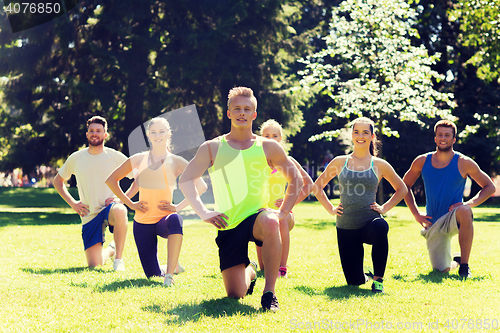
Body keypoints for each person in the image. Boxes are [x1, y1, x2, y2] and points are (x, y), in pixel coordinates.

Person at [179, 87, 303, 311]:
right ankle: (251, 271)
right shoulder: (212, 147)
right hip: (228, 223)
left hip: (257, 216)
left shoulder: (268, 147)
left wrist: (283, 212)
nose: (242, 113)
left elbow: (296, 179)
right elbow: (186, 180)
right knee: (236, 294)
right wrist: (204, 212)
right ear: (228, 113)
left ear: (254, 115)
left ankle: (269, 293)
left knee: (271, 221)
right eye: (237, 109)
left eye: (247, 109)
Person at [106, 117, 207, 286]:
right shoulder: (139, 159)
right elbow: (111, 180)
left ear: (169, 134)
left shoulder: (176, 161)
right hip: (142, 222)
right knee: (152, 275)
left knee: (176, 220)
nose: (157, 135)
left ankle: (169, 275)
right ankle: (173, 266)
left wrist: (177, 207)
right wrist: (130, 204)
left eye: (161, 131)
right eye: (153, 132)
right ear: (148, 135)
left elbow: (201, 186)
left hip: (164, 220)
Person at [311, 117, 407, 293]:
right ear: (352, 135)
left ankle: (378, 281)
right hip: (346, 226)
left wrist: (384, 208)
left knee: (380, 226)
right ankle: (365, 275)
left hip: (369, 222)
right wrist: (331, 209)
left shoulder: (379, 164)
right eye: (356, 132)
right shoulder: (340, 162)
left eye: (365, 132)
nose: (360, 136)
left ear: (372, 136)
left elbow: (402, 189)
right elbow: (317, 187)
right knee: (354, 282)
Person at [403, 120, 495, 279]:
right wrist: (416, 214)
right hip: (433, 223)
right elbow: (404, 186)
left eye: (447, 135)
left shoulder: (464, 162)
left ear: (454, 139)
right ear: (435, 138)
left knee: (465, 210)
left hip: (454, 216)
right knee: (442, 270)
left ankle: (464, 267)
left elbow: (490, 187)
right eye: (440, 135)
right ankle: (456, 262)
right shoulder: (422, 161)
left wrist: (468, 203)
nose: (443, 138)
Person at [54, 116, 130, 271]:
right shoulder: (76, 158)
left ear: (105, 135)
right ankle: (110, 250)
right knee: (94, 265)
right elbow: (57, 181)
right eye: (92, 131)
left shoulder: (115, 157)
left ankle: (118, 260)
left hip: (110, 208)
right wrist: (73, 203)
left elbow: (140, 177)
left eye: (99, 131)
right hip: (89, 214)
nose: (95, 133)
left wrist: (123, 200)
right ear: (87, 134)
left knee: (121, 210)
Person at [256, 119, 313, 277]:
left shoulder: (288, 161)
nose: (271, 139)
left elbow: (308, 184)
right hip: (261, 213)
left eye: (275, 136)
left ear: (280, 139)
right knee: (263, 268)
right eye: (267, 135)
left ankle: (282, 268)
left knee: (280, 220)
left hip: (284, 214)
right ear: (261, 138)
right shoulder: (256, 162)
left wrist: (290, 202)